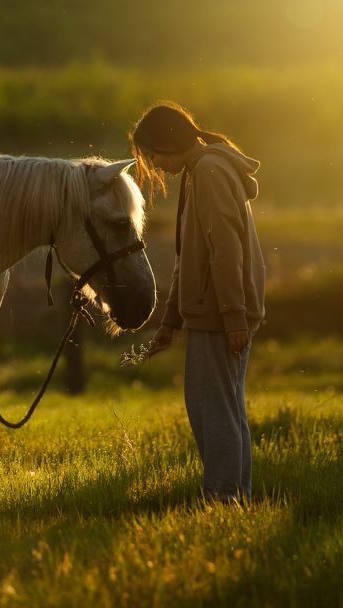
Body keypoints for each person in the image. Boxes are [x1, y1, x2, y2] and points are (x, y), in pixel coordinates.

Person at [129, 102, 266, 504]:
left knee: (215, 412)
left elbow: (224, 248)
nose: (152, 163)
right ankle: (234, 496)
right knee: (222, 407)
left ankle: (223, 500)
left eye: (153, 153)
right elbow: (188, 257)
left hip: (220, 314)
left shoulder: (208, 172)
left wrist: (233, 316)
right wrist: (169, 322)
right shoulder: (199, 172)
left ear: (170, 142)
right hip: (215, 311)